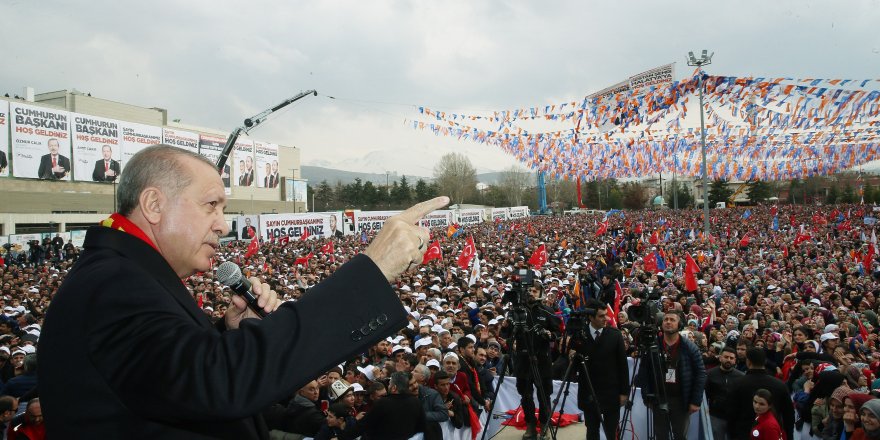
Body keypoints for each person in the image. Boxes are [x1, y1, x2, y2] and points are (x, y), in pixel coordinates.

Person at [38, 144, 448, 438]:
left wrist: (232, 334)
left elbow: (170, 381)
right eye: (211, 205)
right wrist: (372, 270)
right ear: (154, 204)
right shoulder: (112, 284)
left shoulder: (123, 276)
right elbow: (214, 384)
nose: (222, 224)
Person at [500, 282, 560, 440]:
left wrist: (549, 335)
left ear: (540, 292)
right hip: (522, 360)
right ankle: (531, 426)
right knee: (525, 395)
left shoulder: (547, 311)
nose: (532, 293)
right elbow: (505, 334)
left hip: (543, 360)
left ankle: (544, 426)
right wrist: (506, 327)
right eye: (529, 290)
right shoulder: (515, 311)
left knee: (544, 395)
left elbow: (558, 332)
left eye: (535, 290)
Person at [637, 311, 706, 440]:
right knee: (661, 435)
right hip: (658, 398)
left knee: (680, 435)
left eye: (672, 320)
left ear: (679, 324)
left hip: (681, 400)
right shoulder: (653, 345)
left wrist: (695, 401)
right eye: (665, 319)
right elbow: (643, 372)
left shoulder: (690, 347)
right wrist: (646, 397)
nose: (668, 322)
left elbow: (701, 374)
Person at [569, 298, 629, 440]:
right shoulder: (579, 335)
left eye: (606, 315)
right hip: (589, 391)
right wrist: (571, 356)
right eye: (601, 316)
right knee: (592, 431)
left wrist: (624, 392)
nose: (606, 319)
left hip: (611, 393)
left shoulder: (615, 335)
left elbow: (623, 366)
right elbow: (574, 365)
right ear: (590, 317)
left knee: (611, 432)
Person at [726, 347, 795, 440]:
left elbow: (731, 413)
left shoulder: (737, 384)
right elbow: (789, 416)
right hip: (770, 434)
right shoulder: (780, 385)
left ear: (748, 361)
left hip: (744, 434)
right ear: (765, 362)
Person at [344, 371, 425, 440]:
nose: (388, 386)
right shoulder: (416, 402)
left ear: (394, 388)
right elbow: (421, 427)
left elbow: (363, 426)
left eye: (390, 384)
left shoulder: (383, 403)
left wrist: (341, 438)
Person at [706, 346, 745, 440]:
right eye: (726, 357)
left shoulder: (741, 377)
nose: (729, 360)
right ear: (720, 358)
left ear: (735, 360)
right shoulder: (710, 374)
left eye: (731, 358)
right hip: (715, 416)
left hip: (734, 418)